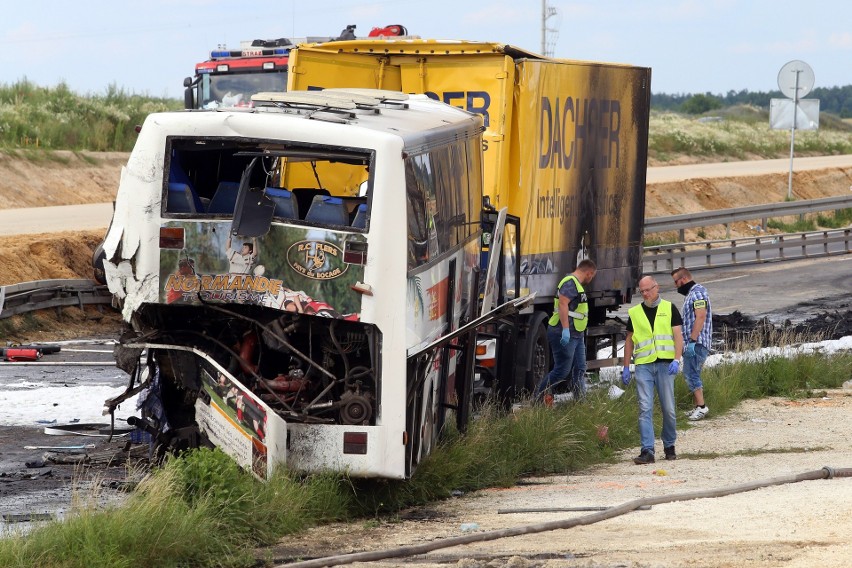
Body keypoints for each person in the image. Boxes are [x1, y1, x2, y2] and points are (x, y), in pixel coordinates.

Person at [621, 276, 684, 464]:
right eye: (642, 291)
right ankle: (647, 450)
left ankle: (669, 445)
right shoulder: (635, 312)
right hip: (644, 366)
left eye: (648, 290)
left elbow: (677, 335)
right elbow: (629, 340)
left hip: (666, 365)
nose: (645, 294)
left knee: (669, 409)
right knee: (644, 407)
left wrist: (676, 359)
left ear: (656, 288)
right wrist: (626, 367)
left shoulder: (669, 308)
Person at [533, 259, 597, 402]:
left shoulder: (576, 284)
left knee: (580, 368)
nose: (591, 279)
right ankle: (537, 399)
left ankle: (581, 402)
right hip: (564, 332)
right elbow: (563, 305)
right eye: (592, 276)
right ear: (589, 273)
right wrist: (566, 330)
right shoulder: (570, 282)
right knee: (562, 371)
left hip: (577, 334)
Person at [671, 267, 712, 421]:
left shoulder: (697, 293)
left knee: (690, 374)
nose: (676, 286)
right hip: (693, 342)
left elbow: (700, 317)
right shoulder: (691, 294)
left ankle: (702, 407)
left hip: (697, 342)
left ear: (683, 279)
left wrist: (693, 341)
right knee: (694, 372)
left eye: (676, 282)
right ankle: (697, 406)